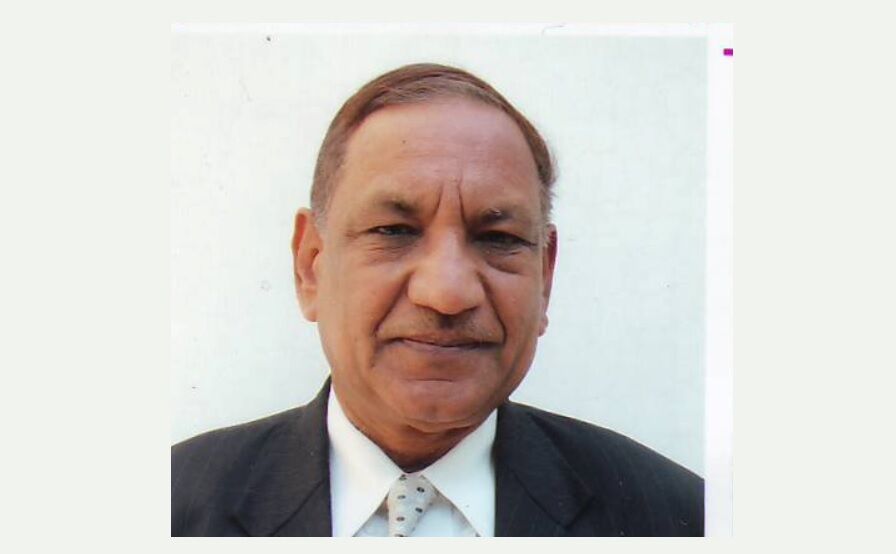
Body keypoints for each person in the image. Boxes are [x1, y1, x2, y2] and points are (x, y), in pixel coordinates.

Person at [171, 63, 704, 537]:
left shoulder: (681, 519)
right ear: (310, 265)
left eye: (497, 238)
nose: (447, 294)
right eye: (394, 231)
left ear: (545, 275)